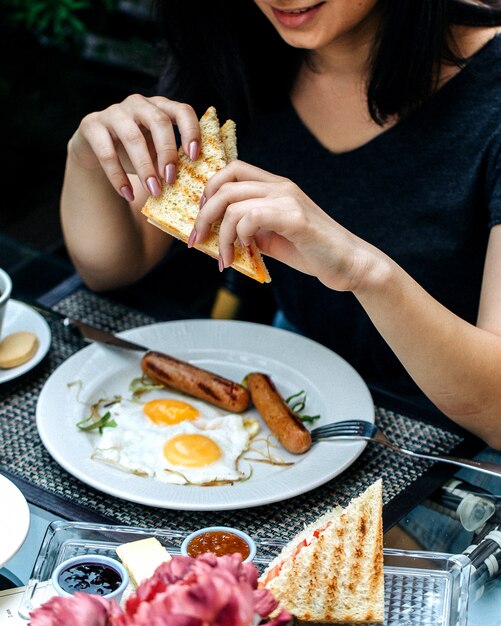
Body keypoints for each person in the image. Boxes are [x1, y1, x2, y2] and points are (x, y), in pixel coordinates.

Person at [60, 0, 501, 448]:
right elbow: (112, 267)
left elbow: (498, 416)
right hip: (298, 406)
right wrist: (87, 160)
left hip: (458, 460)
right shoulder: (239, 51)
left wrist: (364, 272)